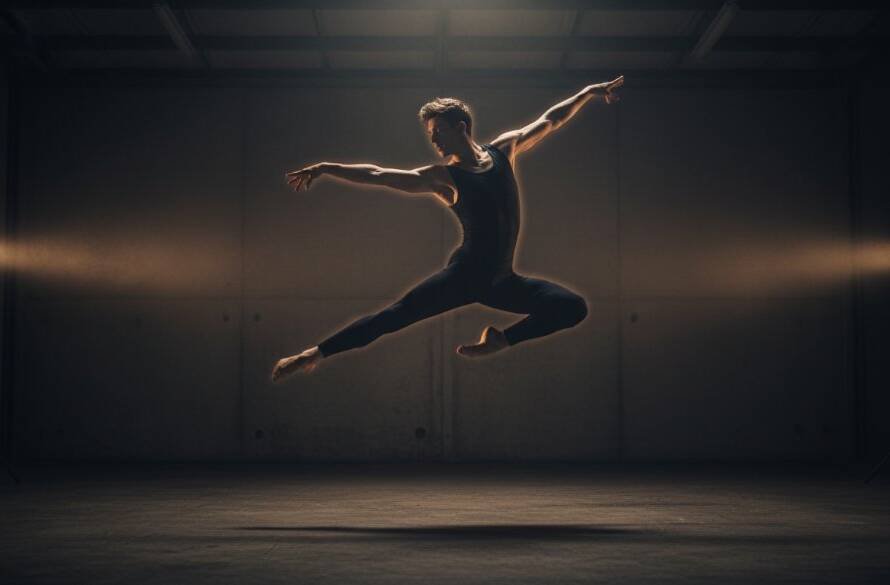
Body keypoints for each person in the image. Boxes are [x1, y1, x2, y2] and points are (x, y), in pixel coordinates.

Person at [271, 76, 624, 382]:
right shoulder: (444, 178)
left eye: (438, 132)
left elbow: (551, 120)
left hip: (503, 281)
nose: (435, 141)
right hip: (463, 277)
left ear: (461, 128)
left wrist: (588, 92)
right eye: (431, 135)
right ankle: (313, 354)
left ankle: (501, 341)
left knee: (573, 307)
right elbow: (378, 174)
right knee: (394, 317)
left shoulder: (504, 150)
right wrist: (327, 167)